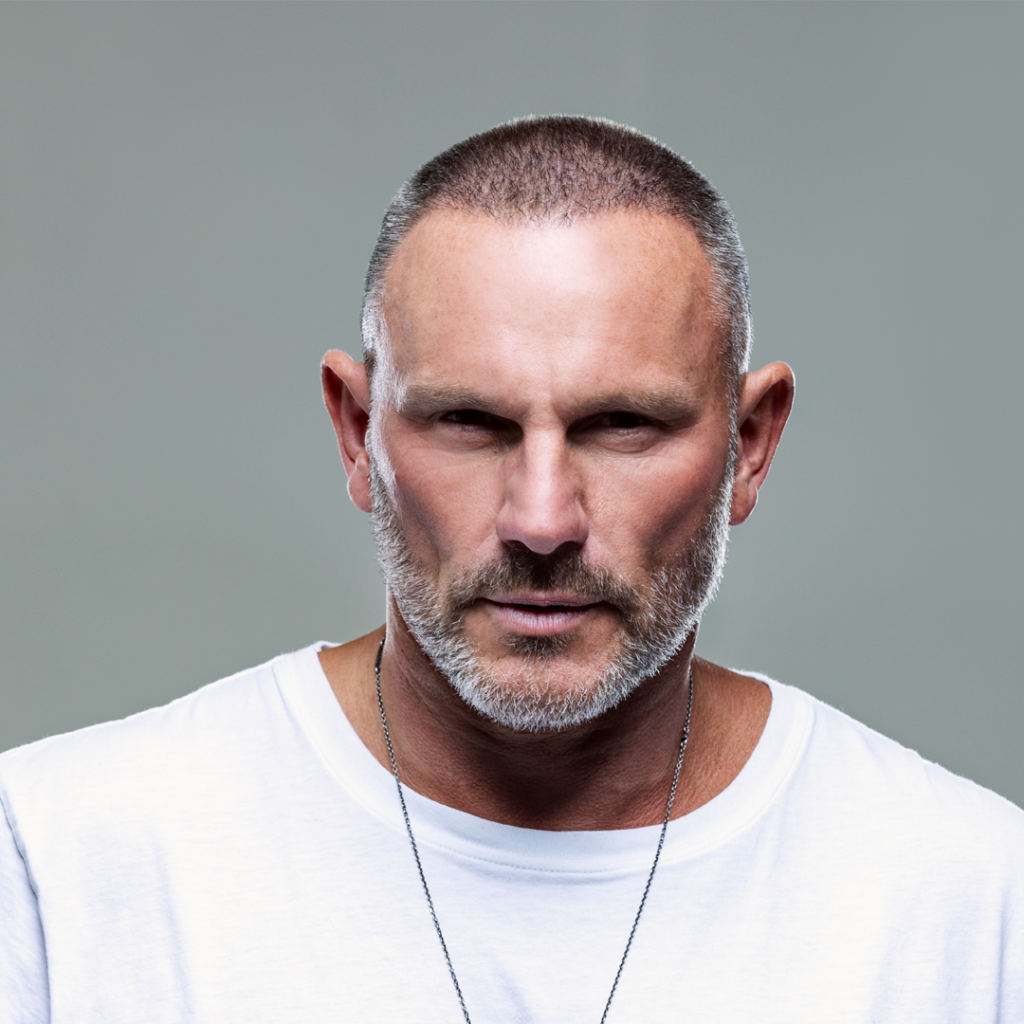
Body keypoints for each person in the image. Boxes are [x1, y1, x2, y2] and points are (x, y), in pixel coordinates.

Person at [1, 116, 1022, 1023]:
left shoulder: (975, 906)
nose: (541, 522)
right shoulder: (52, 864)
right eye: (468, 421)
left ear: (749, 447)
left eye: (622, 424)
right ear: (357, 434)